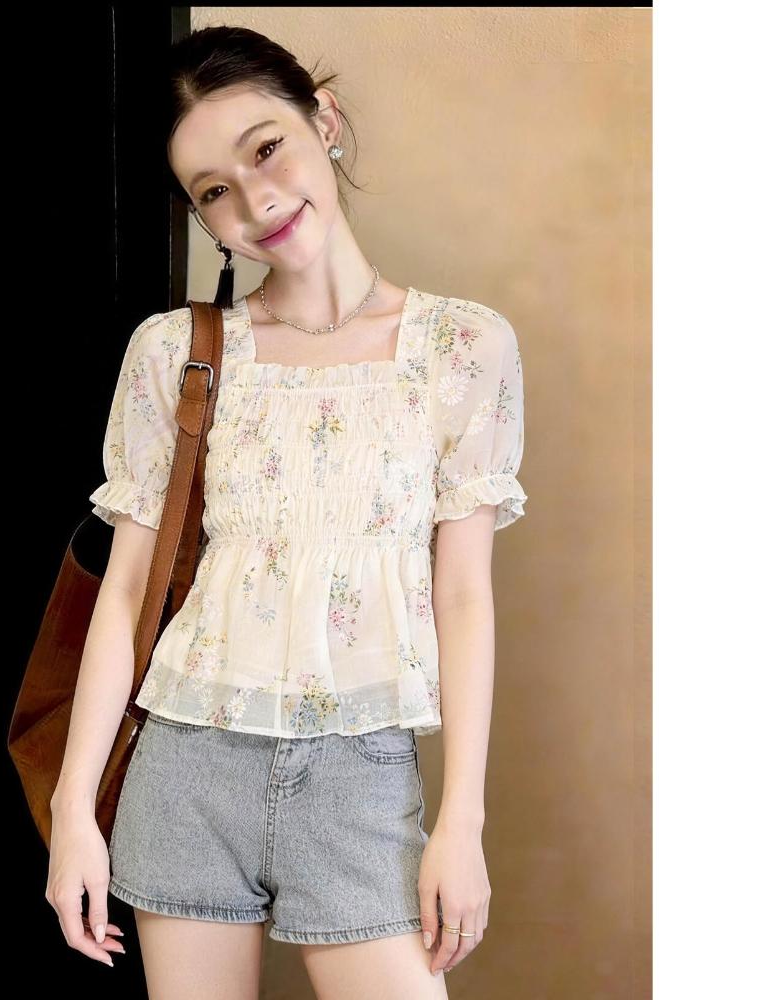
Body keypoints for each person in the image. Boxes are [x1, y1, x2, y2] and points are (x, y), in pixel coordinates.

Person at [45, 24, 527, 1000]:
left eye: (266, 148)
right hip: (186, 770)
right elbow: (126, 589)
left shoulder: (461, 348)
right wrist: (72, 812)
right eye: (212, 191)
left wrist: (462, 820)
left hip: (360, 780)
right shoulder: (173, 353)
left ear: (325, 120)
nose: (254, 201)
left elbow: (464, 596)